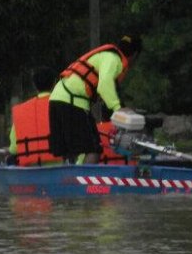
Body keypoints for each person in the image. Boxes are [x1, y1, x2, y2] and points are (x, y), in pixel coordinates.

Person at [48, 35, 142, 164]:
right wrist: (118, 108)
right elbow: (104, 85)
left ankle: (69, 180)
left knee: (71, 150)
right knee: (94, 149)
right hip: (73, 101)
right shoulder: (114, 59)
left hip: (57, 98)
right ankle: (84, 182)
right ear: (135, 55)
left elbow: (104, 92)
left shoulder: (105, 56)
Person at [8, 66, 63, 166]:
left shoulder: (22, 110)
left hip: (28, 170)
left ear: (35, 85)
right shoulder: (62, 108)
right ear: (55, 83)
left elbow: (14, 149)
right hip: (57, 168)